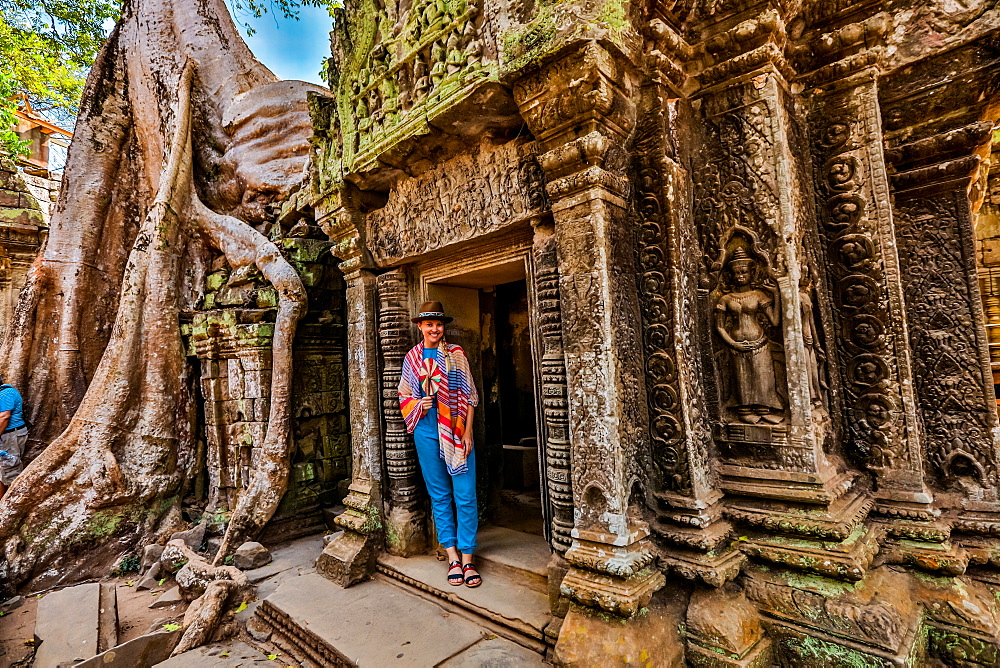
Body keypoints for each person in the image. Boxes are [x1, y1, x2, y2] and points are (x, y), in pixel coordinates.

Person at [398, 301, 481, 587]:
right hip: (425, 431)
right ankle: (452, 556)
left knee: (466, 495)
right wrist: (418, 403)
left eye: (439, 324)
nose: (435, 329)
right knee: (440, 495)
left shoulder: (455, 354)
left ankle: (469, 559)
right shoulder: (412, 358)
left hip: (457, 432)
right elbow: (403, 396)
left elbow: (470, 395)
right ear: (420, 327)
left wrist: (468, 433)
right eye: (429, 324)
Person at [0, 377, 27, 498]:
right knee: (2, 473)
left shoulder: (6, 393)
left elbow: (4, 417)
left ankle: (15, 504)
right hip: (6, 435)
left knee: (11, 470)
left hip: (10, 436)